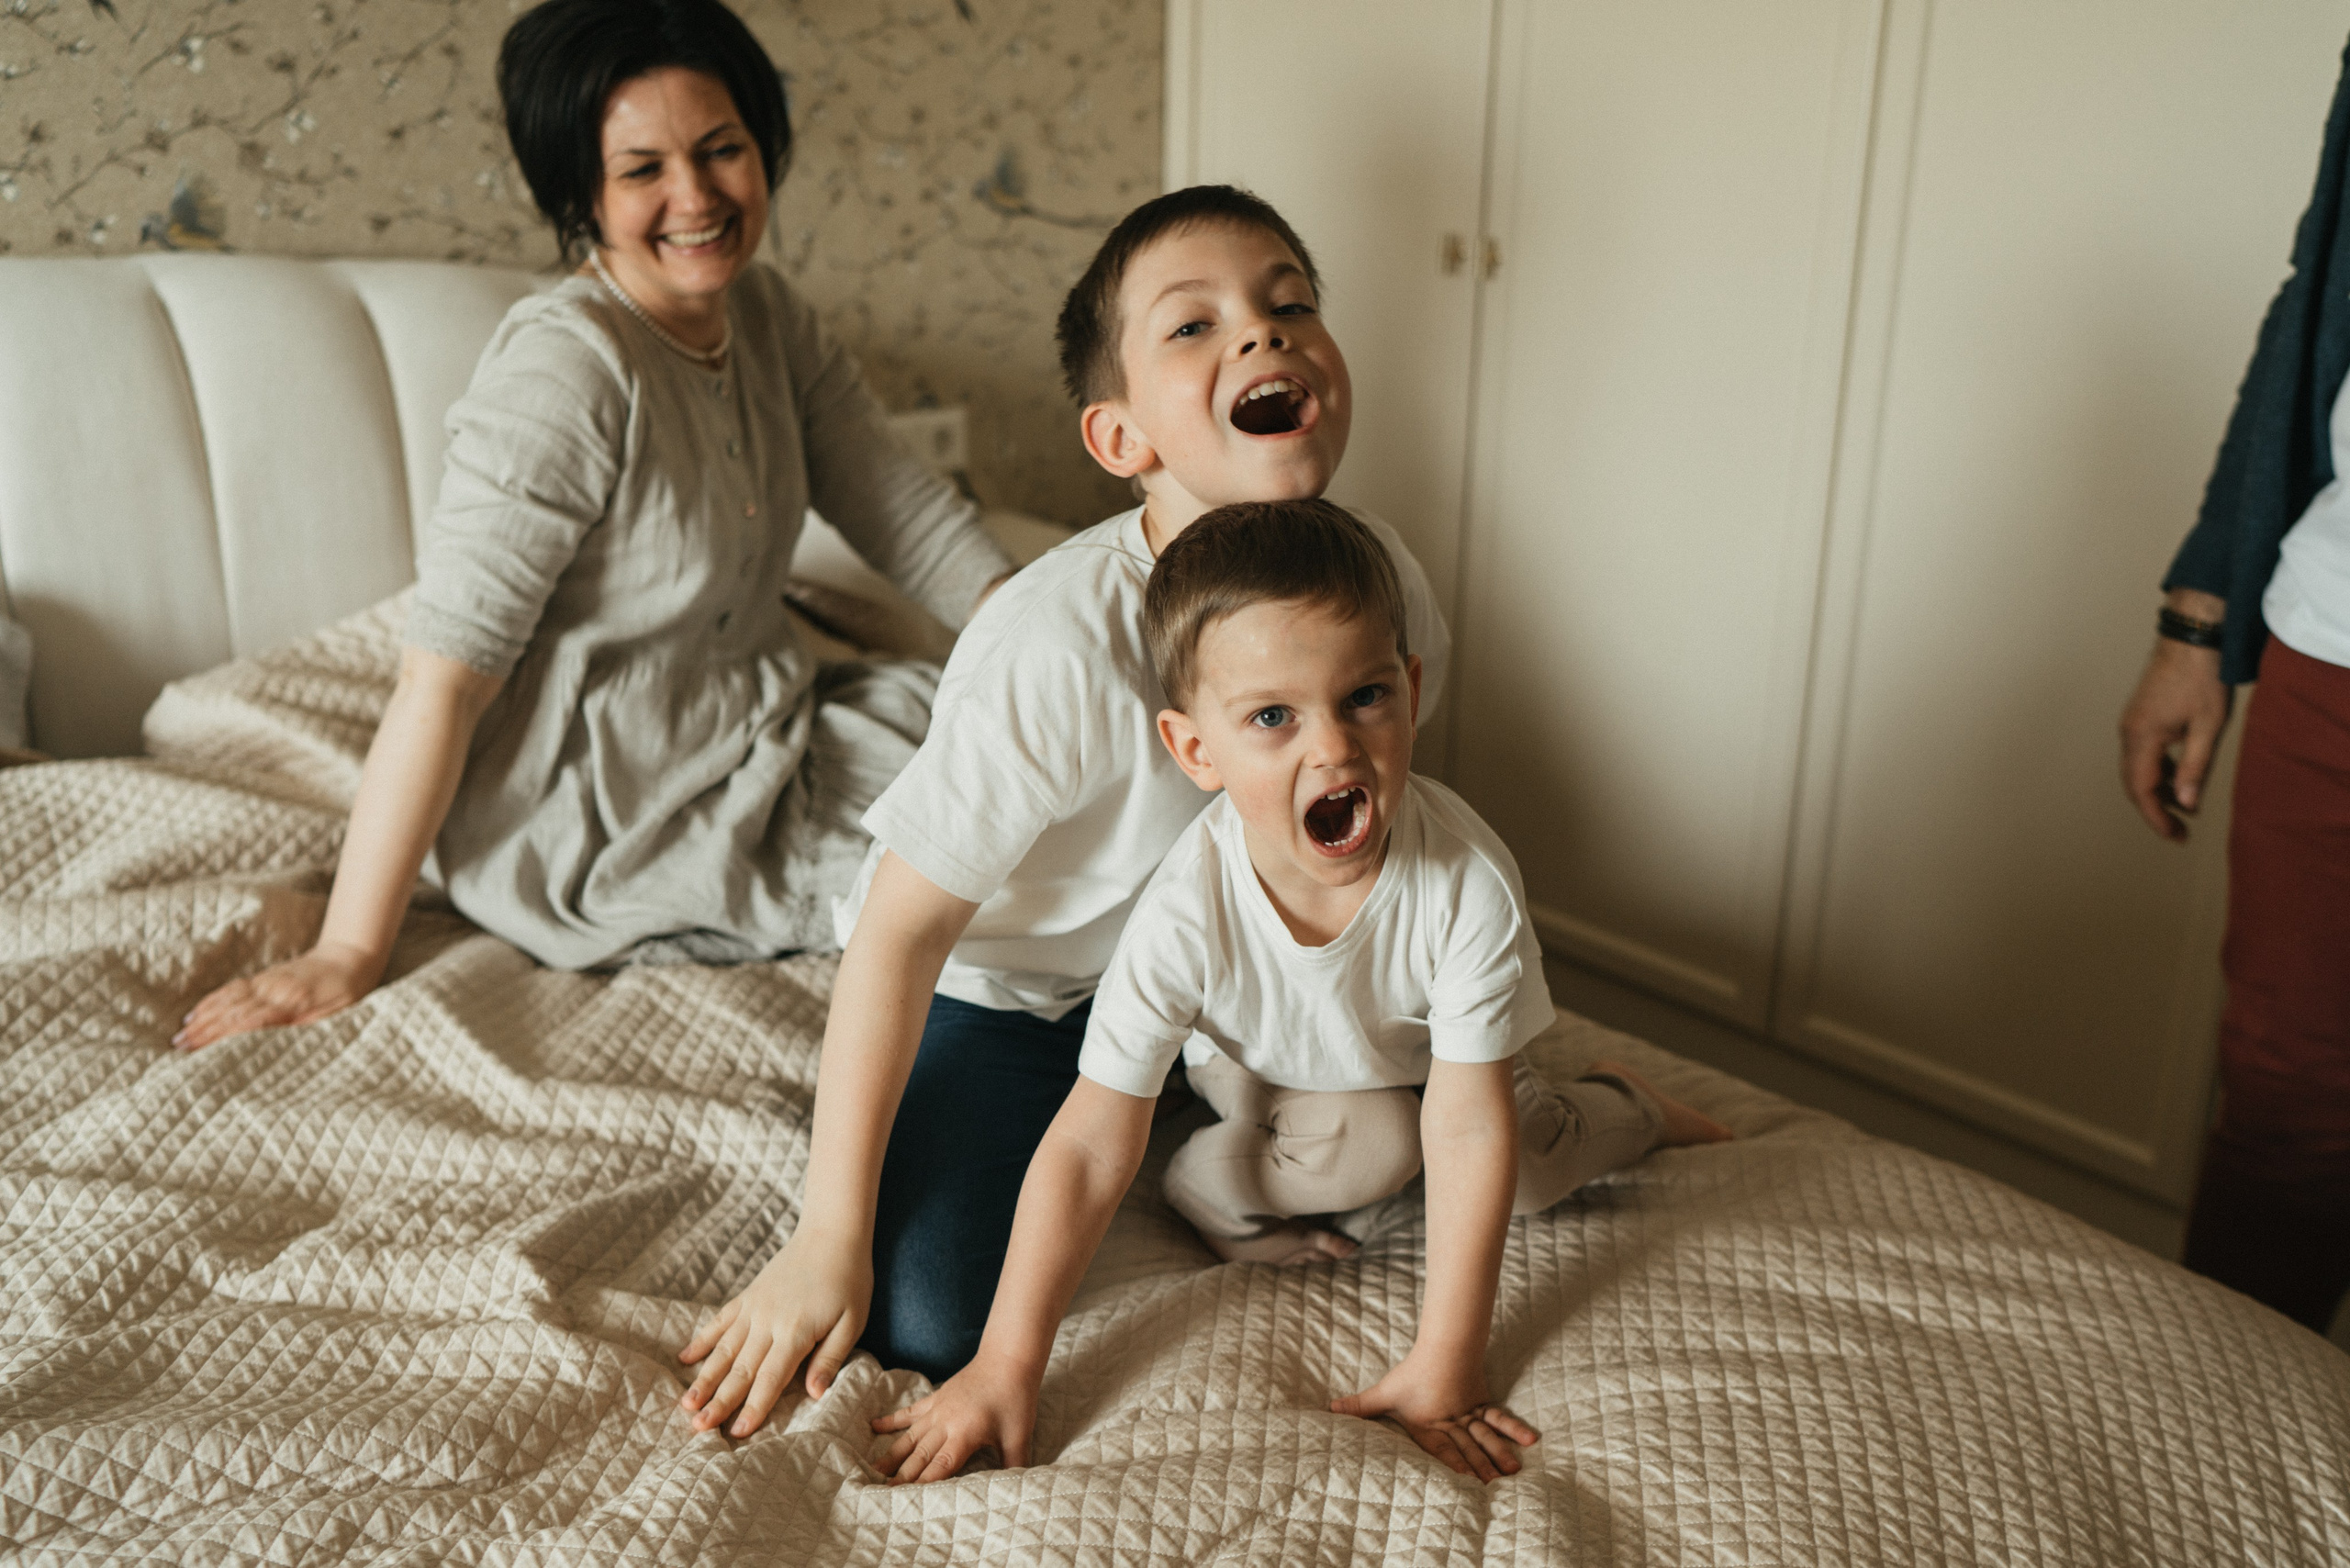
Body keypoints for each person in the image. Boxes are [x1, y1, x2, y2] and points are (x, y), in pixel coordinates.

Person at [674, 186, 1455, 1434]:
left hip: (1227, 971)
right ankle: (1119, 1127)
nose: (1263, 335)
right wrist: (828, 1239)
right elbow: (899, 933)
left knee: (1419, 1126)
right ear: (1121, 437)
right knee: (928, 1321)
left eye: (1290, 303)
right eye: (1194, 327)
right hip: (1031, 1002)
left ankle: (1203, 1134)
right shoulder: (1055, 642)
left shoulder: (1383, 580)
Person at [172, 0, 1012, 1050]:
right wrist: (347, 948)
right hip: (607, 808)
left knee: (1039, 778)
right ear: (582, 194)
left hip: (770, 722)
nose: (696, 198)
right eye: (641, 170)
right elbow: (445, 679)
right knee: (987, 881)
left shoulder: (769, 314)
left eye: (722, 151)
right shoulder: (567, 369)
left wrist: (1062, 646)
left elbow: (910, 517)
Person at [867, 500, 1732, 1484]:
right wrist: (1007, 1361)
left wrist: (1446, 1361)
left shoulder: (1464, 884)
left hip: (1433, 1056)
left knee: (1527, 1170)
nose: (1333, 748)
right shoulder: (1186, 907)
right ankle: (1238, 1184)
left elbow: (1467, 1124)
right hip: (1269, 1075)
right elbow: (1089, 1135)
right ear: (1196, 751)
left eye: (1363, 696)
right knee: (1318, 1158)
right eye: (1272, 717)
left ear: (1410, 692)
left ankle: (1628, 1102)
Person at [2117, 37, 2350, 1335]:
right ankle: (2231, 1477)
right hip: (2335, 640)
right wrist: (2197, 620)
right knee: (2281, 1112)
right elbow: (2318, 297)